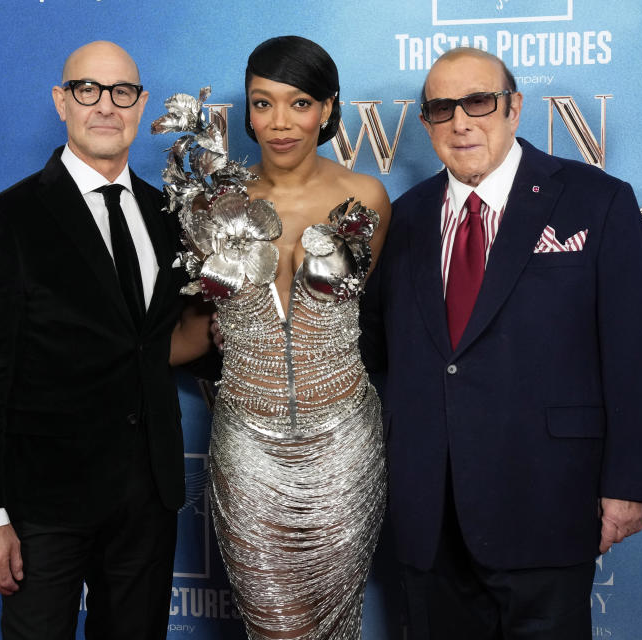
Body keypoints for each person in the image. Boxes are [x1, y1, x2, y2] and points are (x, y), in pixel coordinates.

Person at [360, 47, 642, 639]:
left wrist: (625, 486)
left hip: (548, 498)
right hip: (429, 509)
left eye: (478, 102)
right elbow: (378, 353)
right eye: (441, 109)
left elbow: (631, 357)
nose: (461, 122)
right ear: (425, 123)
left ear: (514, 108)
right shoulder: (404, 218)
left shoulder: (596, 201)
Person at [0, 40, 208, 639]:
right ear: (61, 101)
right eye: (87, 90)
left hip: (148, 497)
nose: (105, 107)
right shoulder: (5, 221)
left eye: (121, 93)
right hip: (44, 502)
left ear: (141, 105)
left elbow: (156, 342)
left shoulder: (169, 213)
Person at [168, 35, 391, 640]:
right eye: (262, 104)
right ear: (246, 112)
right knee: (273, 627)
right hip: (248, 447)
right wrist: (90, 355)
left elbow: (369, 317)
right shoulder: (211, 209)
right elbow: (189, 335)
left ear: (327, 108)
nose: (279, 122)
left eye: (299, 103)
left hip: (345, 439)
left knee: (336, 625)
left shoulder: (367, 197)